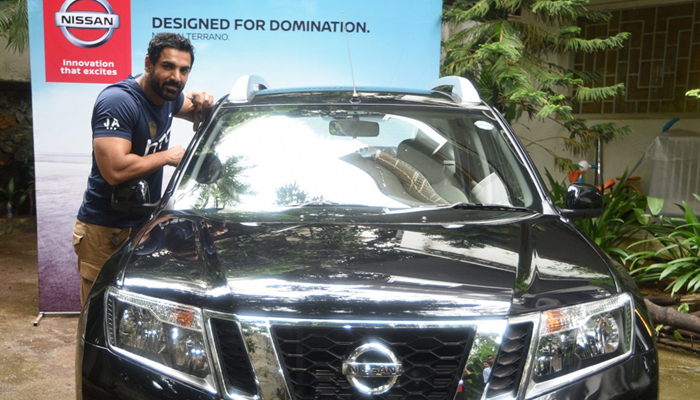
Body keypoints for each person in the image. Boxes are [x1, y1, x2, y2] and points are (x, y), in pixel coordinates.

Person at [72, 33, 214, 305]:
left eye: (184, 70)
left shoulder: (169, 97)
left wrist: (204, 105)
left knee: (132, 316)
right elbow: (114, 169)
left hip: (142, 225)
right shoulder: (119, 101)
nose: (176, 77)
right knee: (99, 313)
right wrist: (168, 156)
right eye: (168, 67)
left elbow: (195, 110)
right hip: (105, 228)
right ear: (149, 64)